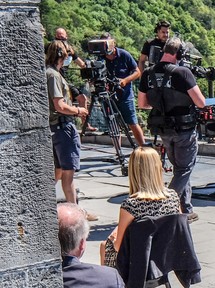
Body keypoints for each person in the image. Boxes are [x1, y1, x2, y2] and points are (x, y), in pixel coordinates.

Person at [138, 36, 207, 222]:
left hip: (162, 129)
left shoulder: (147, 73)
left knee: (179, 168)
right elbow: (201, 103)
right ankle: (162, 206)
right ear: (180, 54)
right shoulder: (183, 73)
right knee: (184, 169)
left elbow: (142, 104)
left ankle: (185, 209)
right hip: (184, 129)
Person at [100, 147, 182, 268]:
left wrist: (112, 239)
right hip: (165, 259)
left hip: (137, 264)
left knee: (104, 246)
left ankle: (112, 285)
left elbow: (118, 247)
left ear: (133, 171)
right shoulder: (173, 197)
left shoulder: (131, 205)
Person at [46, 40, 97, 221]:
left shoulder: (52, 74)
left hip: (56, 128)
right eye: (67, 53)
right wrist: (78, 110)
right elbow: (59, 105)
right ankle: (75, 215)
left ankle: (44, 202)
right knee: (68, 174)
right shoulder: (53, 76)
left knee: (58, 170)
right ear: (61, 55)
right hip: (63, 127)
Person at [99, 33, 146, 147]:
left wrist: (125, 80)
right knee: (113, 124)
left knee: (132, 123)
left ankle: (144, 148)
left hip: (125, 95)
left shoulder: (124, 55)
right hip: (108, 95)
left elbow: (137, 72)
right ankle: (117, 151)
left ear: (113, 43)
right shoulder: (100, 57)